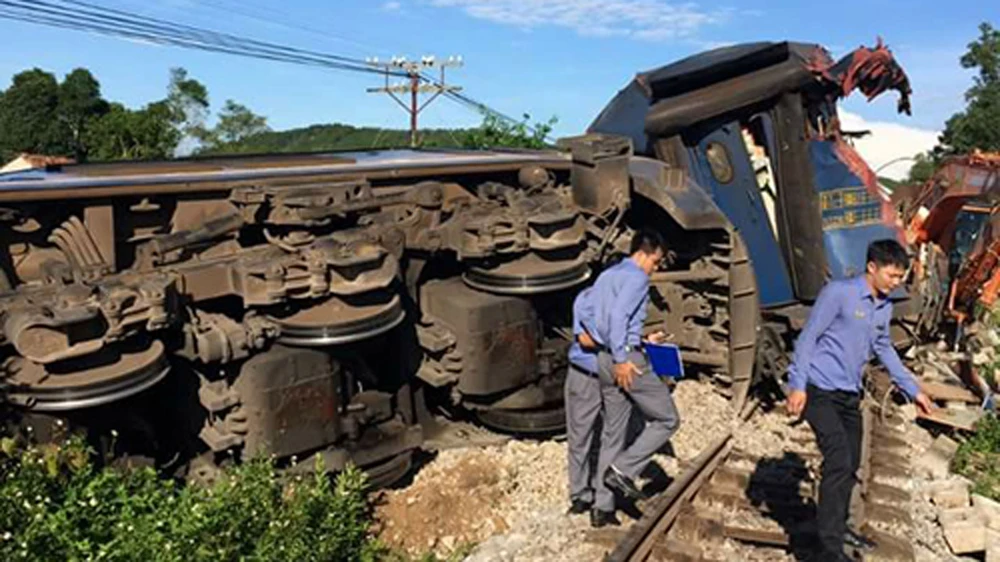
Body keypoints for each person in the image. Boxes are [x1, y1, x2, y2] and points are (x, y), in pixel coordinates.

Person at [785, 239, 934, 561]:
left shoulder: (884, 306)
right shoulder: (838, 293)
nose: (897, 283)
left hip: (849, 393)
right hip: (819, 389)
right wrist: (798, 385)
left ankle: (840, 528)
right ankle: (828, 549)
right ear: (872, 268)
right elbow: (808, 336)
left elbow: (884, 348)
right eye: (892, 276)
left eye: (900, 277)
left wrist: (913, 390)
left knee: (851, 464)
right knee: (838, 459)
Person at [589, 229, 680, 527]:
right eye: (656, 261)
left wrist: (638, 339)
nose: (655, 269)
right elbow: (618, 317)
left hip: (602, 358)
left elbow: (604, 319)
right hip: (624, 361)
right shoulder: (637, 278)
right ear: (645, 250)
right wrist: (623, 357)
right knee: (667, 419)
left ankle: (602, 508)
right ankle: (623, 471)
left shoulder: (607, 277)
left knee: (613, 432)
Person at [564, 287, 603, 520]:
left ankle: (603, 496)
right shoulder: (588, 299)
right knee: (580, 438)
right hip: (586, 375)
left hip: (613, 376)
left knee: (611, 437)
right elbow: (585, 340)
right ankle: (580, 495)